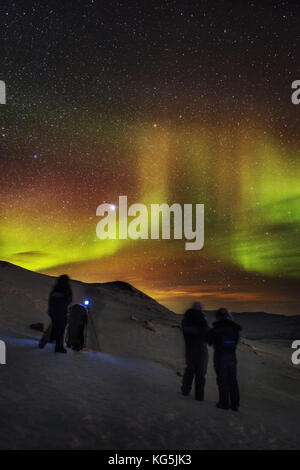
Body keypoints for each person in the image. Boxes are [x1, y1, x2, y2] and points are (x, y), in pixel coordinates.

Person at [207, 308, 241, 411]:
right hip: (232, 357)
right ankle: (235, 404)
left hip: (220, 356)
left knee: (222, 380)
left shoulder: (216, 328)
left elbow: (209, 341)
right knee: (232, 380)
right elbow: (236, 341)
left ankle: (224, 403)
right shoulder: (234, 328)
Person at [181, 302, 209, 401]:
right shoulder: (202, 320)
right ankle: (199, 396)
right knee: (200, 373)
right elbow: (206, 335)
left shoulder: (186, 320)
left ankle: (185, 390)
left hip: (189, 349)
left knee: (189, 370)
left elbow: (185, 334)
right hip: (201, 350)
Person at [45, 275, 72, 353]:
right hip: (61, 312)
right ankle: (58, 347)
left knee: (55, 326)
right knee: (61, 330)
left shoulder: (56, 288)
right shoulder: (66, 289)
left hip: (54, 311)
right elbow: (69, 300)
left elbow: (51, 299)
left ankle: (52, 338)